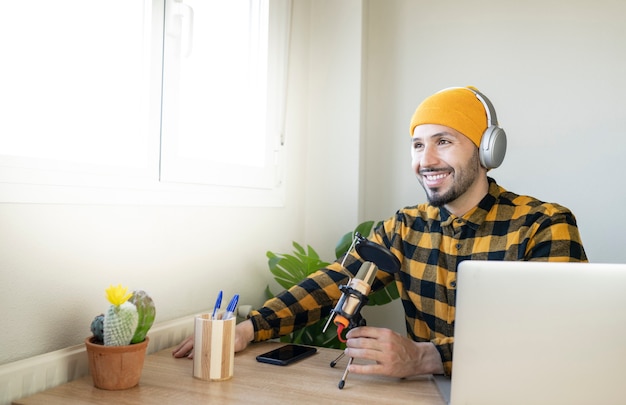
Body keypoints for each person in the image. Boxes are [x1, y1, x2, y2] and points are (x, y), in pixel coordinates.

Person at [173, 86, 587, 377]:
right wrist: (247, 329)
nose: (427, 159)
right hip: (426, 394)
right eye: (417, 144)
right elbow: (337, 280)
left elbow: (555, 337)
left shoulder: (544, 225)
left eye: (444, 141)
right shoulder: (405, 226)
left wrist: (426, 358)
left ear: (487, 150)